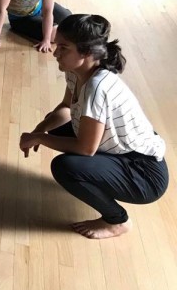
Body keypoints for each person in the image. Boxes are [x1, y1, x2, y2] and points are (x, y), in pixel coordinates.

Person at [19, 14, 168, 239]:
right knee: (55, 126)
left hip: (144, 173)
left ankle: (116, 221)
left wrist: (40, 139)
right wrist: (40, 130)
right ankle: (98, 178)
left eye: (63, 47)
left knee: (65, 167)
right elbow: (65, 108)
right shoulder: (76, 71)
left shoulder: (98, 88)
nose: (55, 52)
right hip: (122, 149)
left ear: (87, 53)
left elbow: (86, 148)